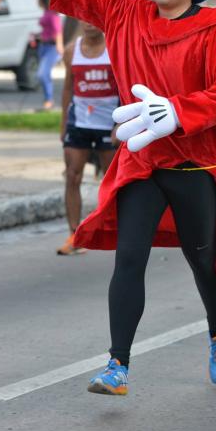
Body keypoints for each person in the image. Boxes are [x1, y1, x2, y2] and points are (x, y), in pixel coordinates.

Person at [6, 0, 216, 394]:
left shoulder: (214, 30)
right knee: (130, 257)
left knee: (202, 261)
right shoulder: (127, 14)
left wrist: (176, 112)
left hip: (194, 167)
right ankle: (117, 364)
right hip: (142, 163)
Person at [57, 22, 119, 256]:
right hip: (79, 123)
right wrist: (64, 123)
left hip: (108, 124)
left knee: (112, 179)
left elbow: (126, 85)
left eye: (94, 17)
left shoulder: (114, 48)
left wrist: (121, 123)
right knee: (72, 175)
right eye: (84, 17)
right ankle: (75, 234)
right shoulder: (72, 50)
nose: (89, 23)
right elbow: (67, 88)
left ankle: (113, 228)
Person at [37, 0, 63, 110]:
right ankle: (47, 99)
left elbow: (57, 31)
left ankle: (49, 100)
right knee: (44, 74)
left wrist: (59, 47)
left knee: (42, 74)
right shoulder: (46, 12)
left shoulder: (52, 14)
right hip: (43, 46)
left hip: (51, 47)